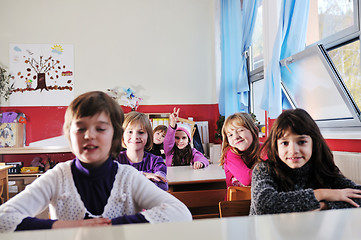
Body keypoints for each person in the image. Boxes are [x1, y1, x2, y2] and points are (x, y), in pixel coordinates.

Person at [0, 91, 192, 233]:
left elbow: (181, 214)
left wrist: (110, 227)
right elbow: (3, 218)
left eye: (100, 129)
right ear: (69, 135)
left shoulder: (128, 177)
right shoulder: (57, 177)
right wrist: (70, 227)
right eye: (80, 128)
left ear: (115, 136)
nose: (89, 135)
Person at [250, 108, 361, 215]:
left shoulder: (322, 167)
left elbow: (358, 197)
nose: (293, 151)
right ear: (275, 146)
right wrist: (323, 193)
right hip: (269, 233)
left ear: (314, 143)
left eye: (302, 142)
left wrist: (324, 206)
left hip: (310, 232)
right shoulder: (264, 169)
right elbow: (264, 205)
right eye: (285, 143)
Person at [116, 112, 168, 191]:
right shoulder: (115, 159)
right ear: (122, 135)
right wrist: (143, 175)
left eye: (141, 132)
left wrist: (126, 179)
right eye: (130, 132)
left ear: (148, 135)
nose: (135, 137)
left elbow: (162, 186)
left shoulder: (157, 161)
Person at [219, 113, 260, 188]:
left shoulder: (264, 148)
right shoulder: (229, 153)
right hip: (238, 199)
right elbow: (247, 180)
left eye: (240, 130)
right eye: (230, 135)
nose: (235, 137)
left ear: (254, 130)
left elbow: (278, 171)